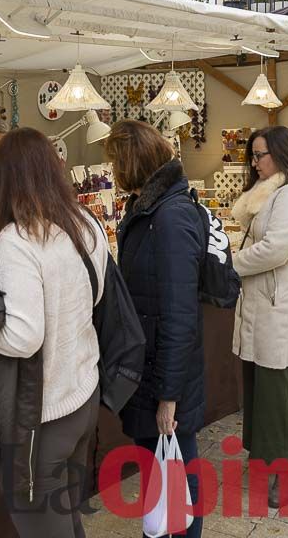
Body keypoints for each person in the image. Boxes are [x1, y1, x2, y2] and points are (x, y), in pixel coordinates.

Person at [0, 128, 108, 537]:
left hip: (43, 417)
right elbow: (97, 292)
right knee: (67, 520)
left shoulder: (17, 240)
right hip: (83, 396)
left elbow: (24, 336)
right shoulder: (84, 220)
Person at [104, 120, 206, 537]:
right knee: (160, 472)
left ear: (131, 163)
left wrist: (168, 396)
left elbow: (180, 315)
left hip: (165, 377)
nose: (111, 172)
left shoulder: (169, 216)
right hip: (152, 370)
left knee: (177, 472)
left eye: (114, 163)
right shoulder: (150, 210)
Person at [231, 126, 288, 509]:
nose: (255, 163)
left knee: (279, 386)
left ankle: (285, 469)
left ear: (283, 154)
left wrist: (229, 264)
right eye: (252, 156)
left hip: (283, 302)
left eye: (261, 155)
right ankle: (265, 457)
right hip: (266, 300)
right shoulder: (272, 191)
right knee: (261, 382)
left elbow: (274, 250)